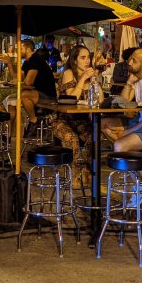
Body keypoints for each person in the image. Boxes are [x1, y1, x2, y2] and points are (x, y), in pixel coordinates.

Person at [52, 45, 97, 188]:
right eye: (83, 58)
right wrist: (83, 78)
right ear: (74, 60)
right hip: (62, 120)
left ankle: (87, 170)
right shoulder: (68, 73)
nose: (87, 61)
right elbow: (72, 98)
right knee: (73, 139)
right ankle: (74, 174)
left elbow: (100, 100)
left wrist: (95, 80)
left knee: (93, 137)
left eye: (88, 57)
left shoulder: (91, 76)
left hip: (81, 120)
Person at [0, 39, 57, 136]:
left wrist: (19, 82)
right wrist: (9, 63)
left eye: (20, 48)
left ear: (28, 49)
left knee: (23, 95)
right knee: (11, 101)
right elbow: (16, 78)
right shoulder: (27, 62)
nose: (18, 51)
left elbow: (28, 82)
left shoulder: (35, 60)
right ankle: (8, 135)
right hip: (36, 94)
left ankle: (33, 121)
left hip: (48, 97)